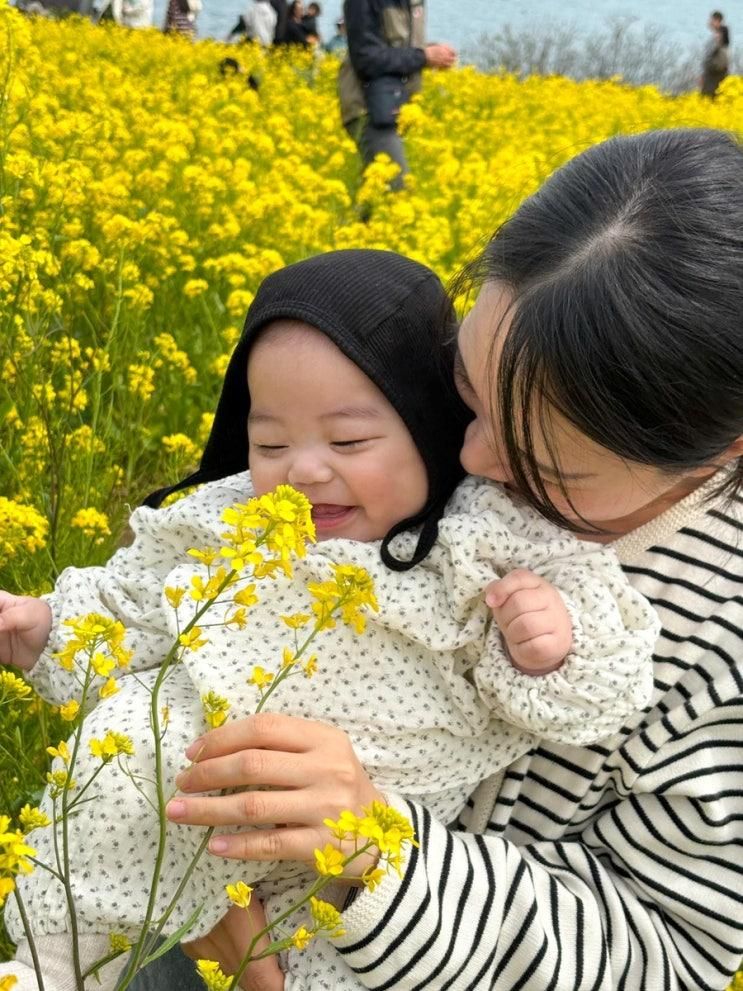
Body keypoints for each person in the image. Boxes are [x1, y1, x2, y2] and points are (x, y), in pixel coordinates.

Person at [114, 129, 743, 991]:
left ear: (714, 453)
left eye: (547, 466)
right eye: (464, 393)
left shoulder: (719, 644)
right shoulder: (460, 435)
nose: (472, 461)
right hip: (190, 886)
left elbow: (675, 954)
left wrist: (376, 851)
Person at [0, 250, 660, 991]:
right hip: (176, 779)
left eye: (347, 442)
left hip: (347, 831)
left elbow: (601, 662)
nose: (302, 471)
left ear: (426, 424)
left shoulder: (478, 535)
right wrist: (47, 627)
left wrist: (547, 642)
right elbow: (142, 596)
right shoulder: (237, 510)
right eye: (271, 442)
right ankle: (46, 970)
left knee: (327, 943)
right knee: (92, 834)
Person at [339, 0, 456, 191]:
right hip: (367, 108)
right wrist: (424, 56)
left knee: (375, 196)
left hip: (396, 107)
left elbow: (398, 45)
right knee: (398, 190)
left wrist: (432, 53)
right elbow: (366, 58)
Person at [701, 10, 730, 97]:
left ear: (717, 20)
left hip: (716, 70)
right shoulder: (718, 33)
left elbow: (719, 45)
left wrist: (716, 29)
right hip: (713, 70)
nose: (710, 22)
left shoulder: (722, 31)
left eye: (712, 20)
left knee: (710, 96)